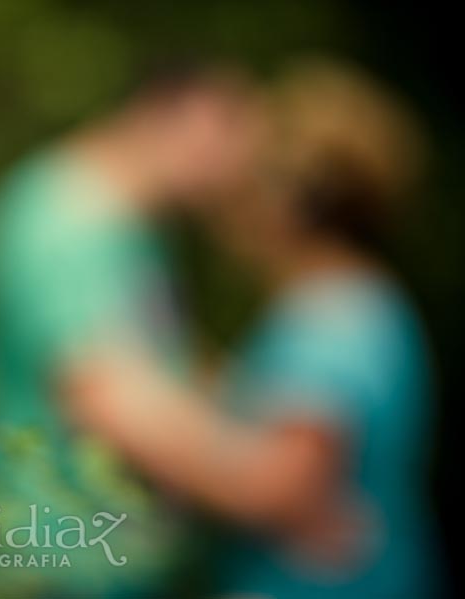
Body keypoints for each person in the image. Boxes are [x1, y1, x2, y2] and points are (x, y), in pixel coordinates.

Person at [67, 60, 441, 598]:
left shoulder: (329, 322)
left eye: (246, 186)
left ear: (289, 203)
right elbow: (272, 416)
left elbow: (280, 490)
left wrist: (124, 415)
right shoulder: (354, 303)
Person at [0, 66, 265, 597]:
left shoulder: (132, 226)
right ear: (167, 113)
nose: (236, 167)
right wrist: (275, 494)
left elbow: (170, 364)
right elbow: (110, 400)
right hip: (55, 566)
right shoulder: (66, 221)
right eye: (229, 134)